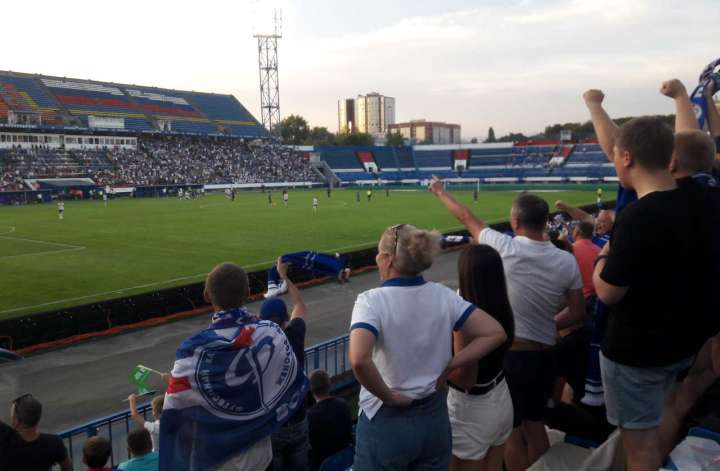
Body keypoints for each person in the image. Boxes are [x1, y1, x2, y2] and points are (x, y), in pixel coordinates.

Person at [429, 179, 585, 471]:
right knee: (536, 427)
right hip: (545, 356)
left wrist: (440, 191)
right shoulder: (566, 260)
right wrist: (549, 323)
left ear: (515, 222)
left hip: (513, 357)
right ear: (545, 221)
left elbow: (466, 217)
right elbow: (577, 312)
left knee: (512, 435)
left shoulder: (505, 247)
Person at [592, 116, 715, 471]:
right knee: (667, 414)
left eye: (615, 156)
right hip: (684, 343)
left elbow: (608, 292)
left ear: (626, 157)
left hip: (638, 354)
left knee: (640, 450)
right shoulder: (702, 199)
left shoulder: (638, 216)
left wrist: (601, 259)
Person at [350, 224, 507, 471]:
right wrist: (451, 365)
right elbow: (495, 332)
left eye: (379, 254)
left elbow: (359, 359)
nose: (377, 258)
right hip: (434, 417)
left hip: (387, 418)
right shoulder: (444, 295)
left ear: (388, 259)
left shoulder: (370, 301)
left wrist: (388, 396)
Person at [159, 263, 308, 471]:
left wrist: (178, 383)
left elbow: (176, 414)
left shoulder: (192, 352)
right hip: (261, 457)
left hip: (220, 460)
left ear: (206, 296)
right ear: (247, 293)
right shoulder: (271, 333)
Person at [448, 245, 515, 471]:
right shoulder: (501, 304)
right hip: (501, 398)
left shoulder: (466, 319)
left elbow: (465, 378)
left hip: (471, 410)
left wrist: (438, 369)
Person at [260, 259, 310, 471]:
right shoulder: (294, 333)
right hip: (297, 418)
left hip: (272, 424)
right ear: (287, 318)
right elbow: (300, 305)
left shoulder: (256, 347)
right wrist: (284, 277)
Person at [0, 393, 72, 471]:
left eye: (12, 413)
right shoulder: (53, 443)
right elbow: (68, 467)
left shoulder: (5, 436)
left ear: (17, 421)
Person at [307, 370, 353, 471]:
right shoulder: (343, 405)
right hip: (346, 460)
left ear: (312, 390)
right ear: (329, 385)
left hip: (322, 465)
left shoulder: (310, 416)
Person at [265, 251, 350, 298]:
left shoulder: (335, 262)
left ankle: (274, 285)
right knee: (285, 259)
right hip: (328, 265)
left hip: (329, 264)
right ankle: (275, 285)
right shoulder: (332, 263)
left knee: (284, 259)